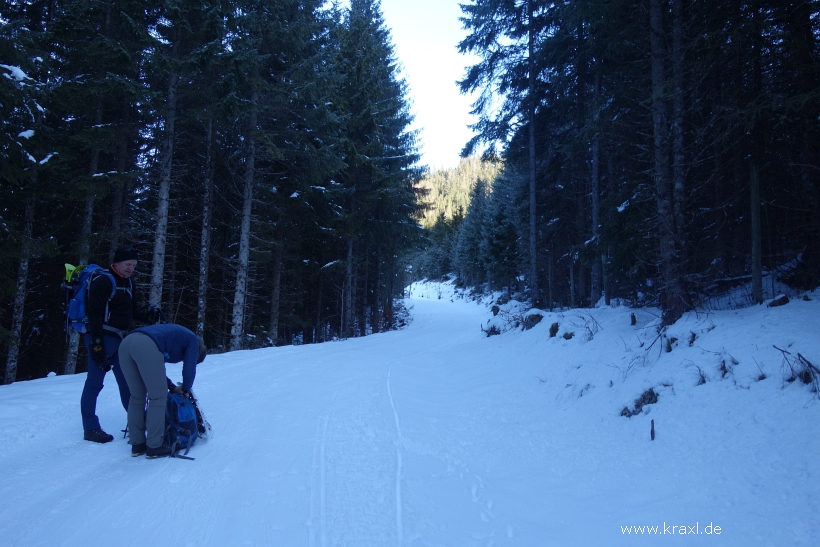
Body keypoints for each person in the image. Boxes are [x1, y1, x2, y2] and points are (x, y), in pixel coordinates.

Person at [80, 244, 161, 443]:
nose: (130, 268)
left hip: (120, 340)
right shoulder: (103, 281)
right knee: (94, 383)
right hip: (101, 337)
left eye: (133, 265)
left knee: (128, 382)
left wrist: (147, 316)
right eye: (127, 264)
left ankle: (139, 424)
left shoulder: (130, 283)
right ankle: (90, 428)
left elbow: (131, 312)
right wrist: (97, 345)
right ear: (116, 262)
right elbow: (94, 315)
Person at [118, 324, 206, 458]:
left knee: (136, 397)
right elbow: (189, 369)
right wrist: (186, 389)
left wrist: (171, 386)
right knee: (158, 397)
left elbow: (155, 371)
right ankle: (155, 445)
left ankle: (138, 445)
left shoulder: (175, 337)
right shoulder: (193, 341)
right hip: (145, 344)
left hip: (125, 344)